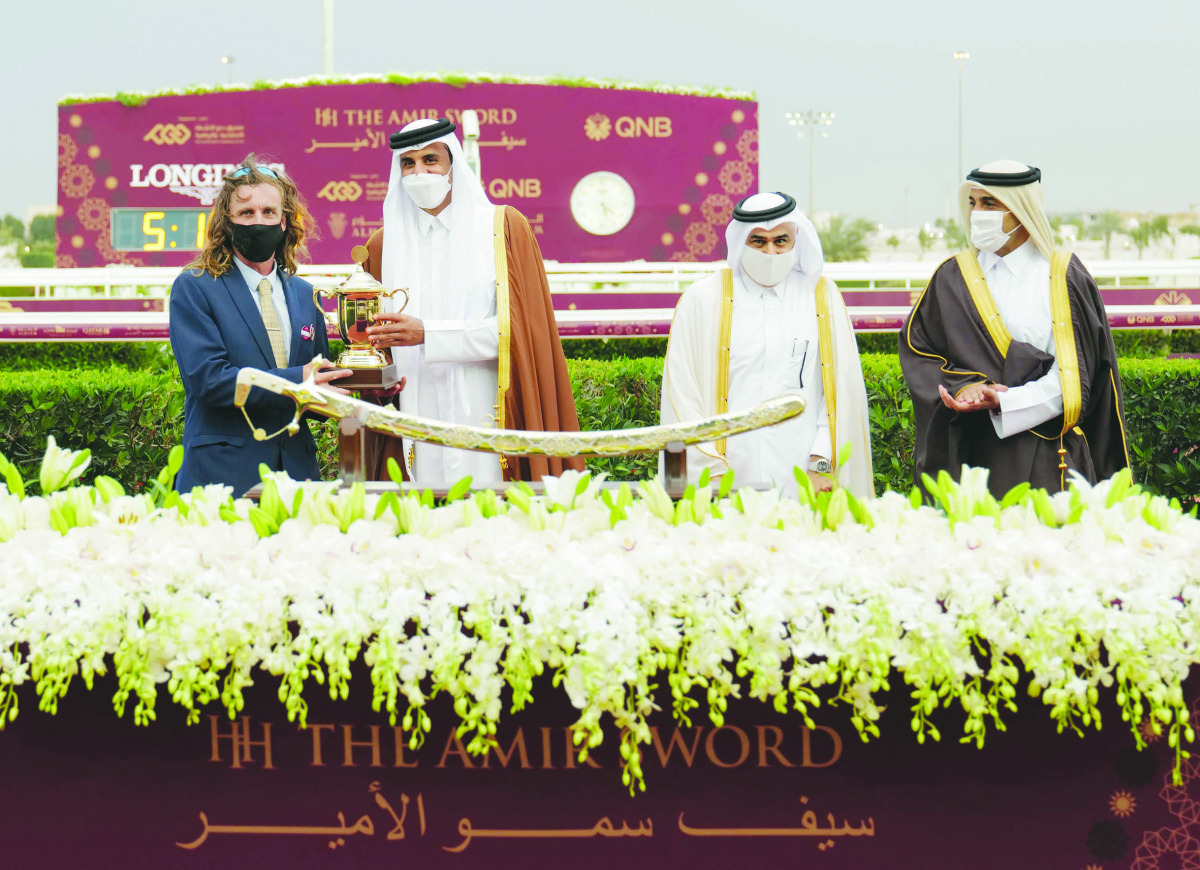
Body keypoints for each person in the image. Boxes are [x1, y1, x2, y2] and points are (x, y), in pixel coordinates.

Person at [360, 117, 583, 485]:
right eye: (408, 163)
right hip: (415, 412)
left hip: (488, 406)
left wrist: (428, 334)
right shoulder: (383, 246)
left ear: (453, 165)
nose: (419, 172)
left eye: (430, 160)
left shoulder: (502, 229)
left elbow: (522, 334)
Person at [899, 160, 1129, 497]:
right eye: (973, 203)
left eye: (990, 203)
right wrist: (964, 387)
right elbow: (919, 350)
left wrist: (1007, 401)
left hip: (1048, 456)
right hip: (968, 455)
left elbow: (1076, 377)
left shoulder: (1062, 276)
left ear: (1021, 210)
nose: (978, 213)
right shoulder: (951, 276)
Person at [660, 191, 874, 498]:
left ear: (795, 239)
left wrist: (821, 465)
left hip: (804, 479)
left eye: (780, 241)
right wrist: (711, 469)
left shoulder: (821, 297)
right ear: (741, 241)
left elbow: (839, 394)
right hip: (725, 480)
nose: (770, 252)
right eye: (758, 241)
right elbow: (681, 396)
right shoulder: (702, 300)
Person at [169, 156, 350, 495]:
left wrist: (364, 392)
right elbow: (208, 380)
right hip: (222, 479)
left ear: (285, 221)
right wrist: (298, 379)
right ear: (228, 221)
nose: (258, 221)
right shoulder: (194, 287)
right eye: (246, 213)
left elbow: (316, 391)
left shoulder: (305, 294)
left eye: (269, 212)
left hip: (297, 476)